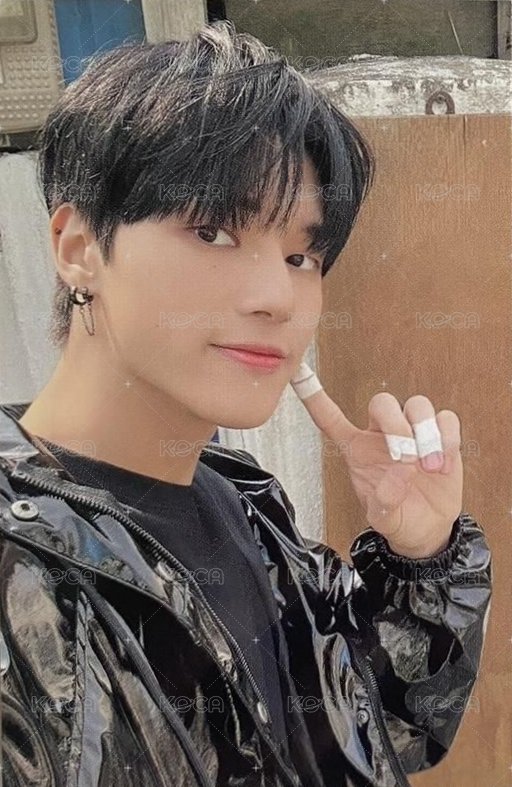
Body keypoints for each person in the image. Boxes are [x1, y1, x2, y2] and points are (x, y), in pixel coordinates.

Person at [0, 20, 491, 787]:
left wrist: (421, 556)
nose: (278, 297)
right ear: (78, 247)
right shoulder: (21, 563)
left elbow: (373, 730)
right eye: (213, 231)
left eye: (301, 255)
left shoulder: (245, 505)